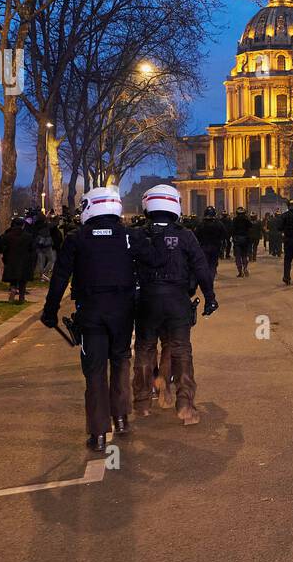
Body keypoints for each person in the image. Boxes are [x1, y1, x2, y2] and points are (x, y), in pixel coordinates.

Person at [42, 186, 152, 451]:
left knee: (94, 372)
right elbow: (154, 260)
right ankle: (122, 418)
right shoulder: (129, 236)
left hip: (90, 311)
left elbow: (59, 278)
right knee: (121, 362)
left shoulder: (76, 238)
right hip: (122, 311)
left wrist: (50, 310)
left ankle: (99, 432)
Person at [131, 184, 217, 425]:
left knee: (145, 349)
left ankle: (143, 402)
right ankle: (185, 404)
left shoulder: (137, 235)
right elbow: (201, 267)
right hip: (177, 300)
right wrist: (210, 297)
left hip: (147, 300)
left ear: (148, 205)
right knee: (181, 350)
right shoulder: (185, 235)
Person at [0, 216, 36, 302]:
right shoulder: (28, 236)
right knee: (23, 280)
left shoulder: (7, 236)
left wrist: (4, 254)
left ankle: (13, 289)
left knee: (13, 278)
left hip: (11, 260)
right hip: (24, 261)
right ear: (23, 225)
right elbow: (33, 249)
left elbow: (0, 246)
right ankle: (21, 297)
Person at [195, 206, 225, 278]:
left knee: (205, 263)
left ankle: (206, 278)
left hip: (204, 246)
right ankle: (211, 278)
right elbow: (224, 235)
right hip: (215, 247)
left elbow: (196, 235)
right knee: (213, 264)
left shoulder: (201, 224)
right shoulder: (219, 224)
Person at [231, 205, 253, 277]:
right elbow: (250, 226)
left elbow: (233, 229)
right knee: (244, 255)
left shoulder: (235, 220)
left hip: (237, 239)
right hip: (245, 239)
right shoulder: (246, 219)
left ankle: (240, 271)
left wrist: (233, 237)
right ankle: (245, 267)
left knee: (238, 256)